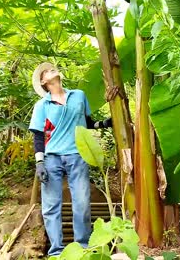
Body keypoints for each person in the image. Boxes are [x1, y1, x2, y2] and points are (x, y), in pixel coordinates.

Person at [29, 62, 114, 256]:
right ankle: (56, 251)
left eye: (53, 68)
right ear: (43, 81)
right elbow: (39, 136)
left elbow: (88, 123)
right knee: (51, 206)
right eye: (47, 71)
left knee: (82, 202)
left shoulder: (78, 96)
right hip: (51, 159)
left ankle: (83, 247)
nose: (52, 70)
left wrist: (104, 123)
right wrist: (39, 163)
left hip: (77, 155)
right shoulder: (42, 105)